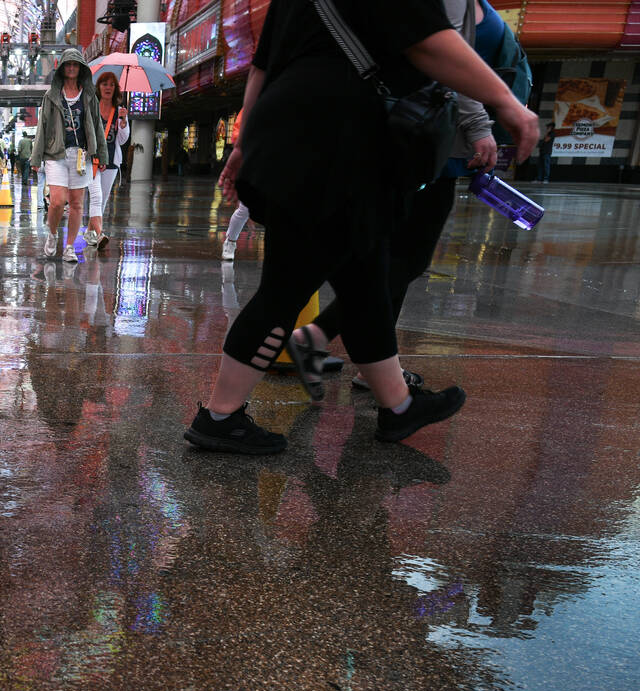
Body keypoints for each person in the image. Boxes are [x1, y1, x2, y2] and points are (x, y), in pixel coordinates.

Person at [185, 0, 537, 455]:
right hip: (339, 146)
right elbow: (427, 42)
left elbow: (261, 69)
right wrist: (506, 100)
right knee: (287, 287)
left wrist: (243, 143)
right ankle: (219, 416)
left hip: (296, 136)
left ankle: (399, 405)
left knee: (366, 275)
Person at [289, 0, 519, 396]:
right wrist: (484, 122)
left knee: (393, 260)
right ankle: (322, 340)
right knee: (401, 260)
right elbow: (442, 58)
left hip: (421, 139)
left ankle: (375, 367)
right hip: (424, 142)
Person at [31, 48, 107, 264]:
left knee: (76, 204)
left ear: (80, 69)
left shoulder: (89, 96)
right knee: (56, 202)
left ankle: (70, 247)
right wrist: (36, 159)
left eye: (75, 65)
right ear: (62, 69)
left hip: (81, 155)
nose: (72, 68)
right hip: (56, 154)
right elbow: (42, 127)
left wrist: (100, 154)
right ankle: (53, 233)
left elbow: (97, 126)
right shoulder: (51, 95)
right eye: (68, 65)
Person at [84, 71, 129, 251]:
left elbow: (123, 140)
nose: (108, 87)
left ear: (115, 89)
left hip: (111, 162)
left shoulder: (120, 111)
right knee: (96, 196)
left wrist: (124, 122)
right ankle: (100, 233)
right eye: (104, 84)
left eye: (111, 84)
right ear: (99, 87)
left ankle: (90, 232)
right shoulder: (91, 108)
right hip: (91, 161)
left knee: (101, 201)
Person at [220, 111, 250, 261]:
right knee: (245, 208)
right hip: (256, 159)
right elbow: (238, 133)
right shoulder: (256, 100)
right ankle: (230, 241)